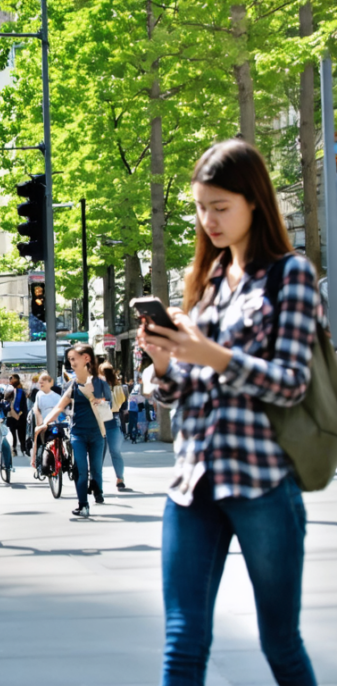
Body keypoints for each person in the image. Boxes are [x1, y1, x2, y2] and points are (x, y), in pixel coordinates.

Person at [139, 139, 318, 686]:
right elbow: (177, 390)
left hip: (262, 481)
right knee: (182, 642)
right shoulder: (208, 280)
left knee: (280, 643)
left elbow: (291, 383)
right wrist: (164, 363)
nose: (208, 221)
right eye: (201, 207)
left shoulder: (291, 275)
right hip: (192, 482)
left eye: (220, 207)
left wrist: (211, 355)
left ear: (254, 201)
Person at [34, 344, 111, 517]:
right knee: (80, 469)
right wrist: (45, 423)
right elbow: (59, 407)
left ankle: (97, 489)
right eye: (69, 359)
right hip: (77, 434)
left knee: (96, 469)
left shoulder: (100, 383)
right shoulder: (73, 385)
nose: (71, 363)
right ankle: (83, 505)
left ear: (86, 358)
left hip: (97, 434)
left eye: (73, 359)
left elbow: (111, 405)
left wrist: (99, 400)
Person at [99, 362, 128, 491]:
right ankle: (119, 479)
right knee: (114, 452)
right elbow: (122, 405)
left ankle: (97, 479)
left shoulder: (98, 385)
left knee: (100, 453)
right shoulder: (118, 387)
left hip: (102, 421)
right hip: (111, 420)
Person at [29, 373, 61, 473]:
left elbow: (61, 411)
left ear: (50, 382)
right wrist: (39, 420)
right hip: (42, 424)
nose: (41, 382)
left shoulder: (57, 397)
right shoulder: (39, 395)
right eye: (40, 381)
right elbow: (36, 408)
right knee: (37, 436)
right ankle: (35, 460)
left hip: (54, 424)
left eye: (44, 380)